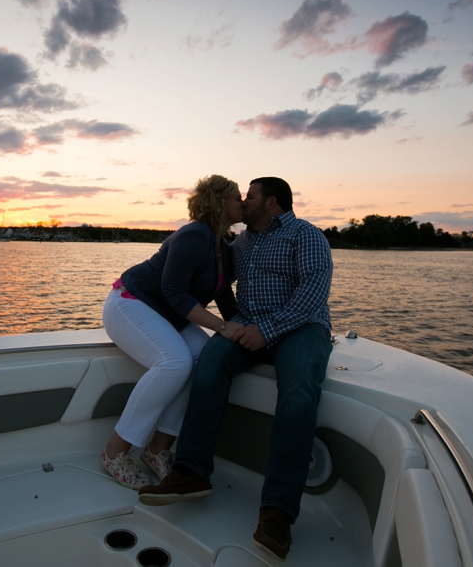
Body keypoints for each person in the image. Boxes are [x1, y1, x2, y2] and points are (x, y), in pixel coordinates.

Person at [137, 176, 333, 562]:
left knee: (298, 391)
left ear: (272, 203)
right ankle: (191, 469)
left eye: (251, 196)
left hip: (300, 327)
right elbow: (219, 287)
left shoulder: (305, 235)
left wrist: (268, 330)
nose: (244, 202)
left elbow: (314, 291)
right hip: (248, 324)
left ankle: (277, 512)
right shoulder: (238, 244)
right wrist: (232, 325)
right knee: (208, 362)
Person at [100, 175, 246, 490]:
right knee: (175, 361)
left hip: (167, 314)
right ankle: (115, 452)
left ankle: (157, 451)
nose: (243, 203)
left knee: (201, 359)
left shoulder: (223, 245)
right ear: (220, 203)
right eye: (237, 198)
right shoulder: (194, 235)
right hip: (131, 302)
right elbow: (174, 292)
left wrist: (248, 329)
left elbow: (223, 297)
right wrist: (222, 326)